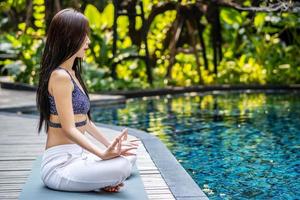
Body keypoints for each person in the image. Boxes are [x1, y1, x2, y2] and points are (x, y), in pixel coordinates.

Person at [36, 8, 139, 193]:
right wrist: (102, 154)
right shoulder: (60, 77)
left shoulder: (72, 73)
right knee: (122, 167)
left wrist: (110, 147)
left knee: (130, 156)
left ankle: (100, 178)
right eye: (84, 36)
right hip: (60, 166)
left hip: (80, 157)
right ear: (69, 38)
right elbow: (68, 129)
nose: (88, 41)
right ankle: (102, 179)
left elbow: (85, 121)